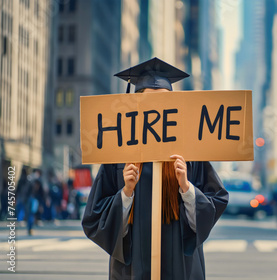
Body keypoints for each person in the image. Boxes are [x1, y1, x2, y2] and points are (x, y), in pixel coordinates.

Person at [81, 58, 229, 280]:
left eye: (164, 103)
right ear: (136, 106)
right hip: (132, 270)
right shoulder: (118, 152)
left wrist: (186, 188)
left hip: (181, 267)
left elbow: (213, 205)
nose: (157, 110)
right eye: (149, 103)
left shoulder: (191, 152)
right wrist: (126, 194)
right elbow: (95, 219)